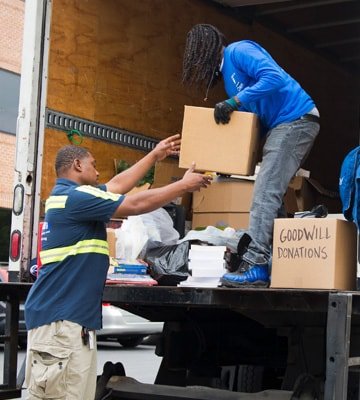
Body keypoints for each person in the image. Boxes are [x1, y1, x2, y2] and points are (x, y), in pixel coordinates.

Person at [24, 134, 211, 400]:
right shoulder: (75, 198)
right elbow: (133, 204)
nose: (98, 171)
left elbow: (117, 185)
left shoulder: (70, 197)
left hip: (68, 324)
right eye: (93, 164)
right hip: (61, 325)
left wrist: (155, 155)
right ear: (77, 165)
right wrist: (182, 186)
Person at [182, 24, 320, 288]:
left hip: (295, 119)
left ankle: (256, 263)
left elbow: (274, 78)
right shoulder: (228, 76)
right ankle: (277, 262)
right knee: (272, 195)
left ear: (207, 49)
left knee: (265, 192)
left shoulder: (238, 51)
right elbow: (257, 118)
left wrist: (234, 102)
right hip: (283, 125)